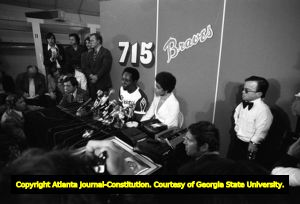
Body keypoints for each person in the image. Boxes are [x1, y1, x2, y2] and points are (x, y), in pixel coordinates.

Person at [228, 76, 273, 161]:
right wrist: (237, 128)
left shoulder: (263, 110)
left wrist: (254, 142)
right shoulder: (241, 105)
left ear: (259, 94)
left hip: (249, 145)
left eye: (246, 90)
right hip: (237, 140)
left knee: (245, 167)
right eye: (243, 89)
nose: (242, 92)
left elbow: (262, 128)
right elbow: (236, 116)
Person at [85, 33, 112, 99]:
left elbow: (105, 67)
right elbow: (86, 67)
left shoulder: (106, 52)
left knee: (102, 105)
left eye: (92, 40)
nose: (90, 42)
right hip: (92, 84)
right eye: (90, 40)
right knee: (93, 104)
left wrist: (97, 76)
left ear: (98, 41)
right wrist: (91, 75)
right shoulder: (90, 53)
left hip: (103, 83)